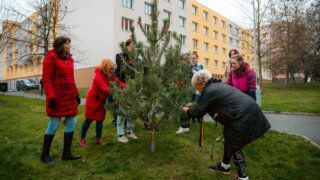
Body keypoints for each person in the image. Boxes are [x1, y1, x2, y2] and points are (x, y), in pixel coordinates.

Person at [182, 70, 270, 180]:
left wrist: (185, 110)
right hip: (244, 114)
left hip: (242, 117)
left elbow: (197, 112)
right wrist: (193, 105)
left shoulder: (209, 90)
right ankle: (225, 166)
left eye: (196, 86)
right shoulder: (215, 86)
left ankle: (243, 177)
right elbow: (204, 104)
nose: (196, 89)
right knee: (230, 139)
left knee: (234, 146)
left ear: (201, 83)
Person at [40, 36, 81, 164]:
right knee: (54, 125)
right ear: (60, 45)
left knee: (72, 122)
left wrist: (76, 94)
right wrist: (51, 97)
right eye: (67, 43)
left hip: (69, 97)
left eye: (70, 43)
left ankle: (66, 153)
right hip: (57, 98)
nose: (69, 46)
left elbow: (71, 80)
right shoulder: (50, 59)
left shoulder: (69, 60)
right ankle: (45, 155)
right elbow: (46, 79)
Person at [79, 59, 126, 147]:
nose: (112, 71)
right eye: (110, 69)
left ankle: (98, 139)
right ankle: (82, 138)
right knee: (88, 120)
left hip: (101, 101)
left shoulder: (109, 75)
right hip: (92, 101)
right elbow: (106, 89)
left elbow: (117, 83)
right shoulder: (98, 76)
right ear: (105, 68)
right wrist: (119, 92)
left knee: (100, 120)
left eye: (113, 69)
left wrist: (127, 87)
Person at [115, 39, 139, 143]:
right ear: (126, 46)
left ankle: (130, 131)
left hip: (133, 88)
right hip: (123, 87)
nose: (133, 48)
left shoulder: (137, 58)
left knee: (131, 111)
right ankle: (120, 135)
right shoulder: (120, 56)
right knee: (122, 111)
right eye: (131, 46)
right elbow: (123, 66)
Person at [176, 51, 203, 134]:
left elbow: (187, 79)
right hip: (185, 89)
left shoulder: (185, 66)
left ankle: (183, 126)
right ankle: (185, 126)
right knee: (185, 108)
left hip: (186, 90)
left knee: (184, 108)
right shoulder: (185, 66)